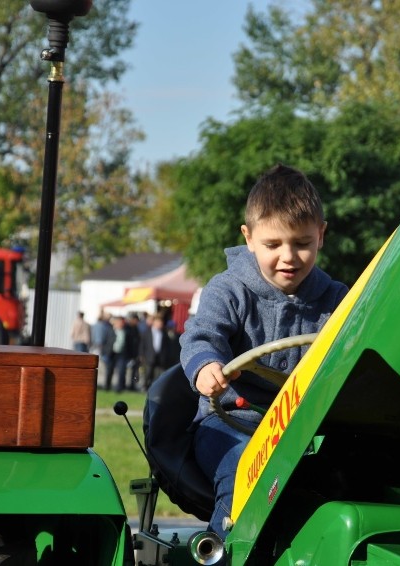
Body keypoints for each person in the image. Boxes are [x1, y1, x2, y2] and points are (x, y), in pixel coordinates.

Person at [179, 164, 349, 540]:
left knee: (355, 474)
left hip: (303, 431)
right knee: (246, 470)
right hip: (229, 424)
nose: (288, 257)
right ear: (249, 237)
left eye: (302, 243)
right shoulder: (229, 290)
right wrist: (207, 365)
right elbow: (201, 335)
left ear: (320, 236)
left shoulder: (337, 300)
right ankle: (221, 551)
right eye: (273, 245)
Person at [140, 314, 180, 391]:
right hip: (149, 356)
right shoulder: (147, 332)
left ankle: (154, 388)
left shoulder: (163, 333)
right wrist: (141, 355)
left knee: (158, 374)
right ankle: (145, 386)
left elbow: (166, 346)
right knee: (148, 373)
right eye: (158, 322)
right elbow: (142, 345)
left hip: (160, 357)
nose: (160, 324)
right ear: (154, 322)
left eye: (161, 323)